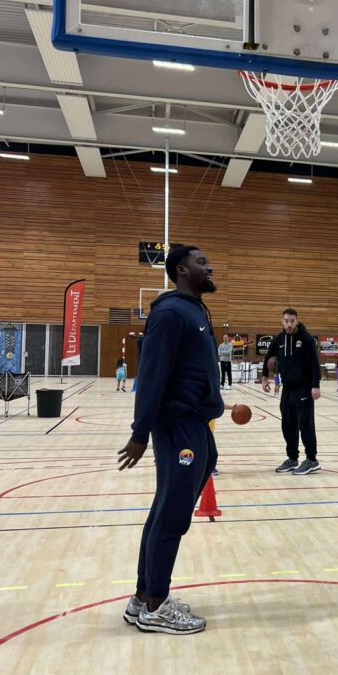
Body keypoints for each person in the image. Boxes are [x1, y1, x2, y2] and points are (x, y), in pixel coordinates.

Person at [117, 245, 224, 634]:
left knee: (165, 509)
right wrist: (140, 432)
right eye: (201, 262)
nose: (209, 266)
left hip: (195, 423)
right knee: (172, 514)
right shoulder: (170, 312)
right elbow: (151, 374)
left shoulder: (195, 310)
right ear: (181, 269)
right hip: (177, 424)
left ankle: (143, 596)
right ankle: (156, 606)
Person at [262, 309, 322, 474]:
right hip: (287, 388)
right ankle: (292, 458)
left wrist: (316, 385)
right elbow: (268, 357)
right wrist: (265, 377)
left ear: (297, 321)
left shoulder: (306, 339)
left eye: (292, 321)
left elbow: (314, 363)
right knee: (287, 424)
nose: (289, 324)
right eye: (286, 321)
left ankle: (312, 459)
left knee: (305, 424)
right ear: (282, 321)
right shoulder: (278, 339)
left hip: (304, 387)